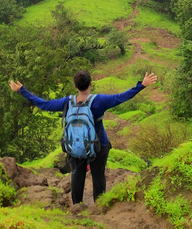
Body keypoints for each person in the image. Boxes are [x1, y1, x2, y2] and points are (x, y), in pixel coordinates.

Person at [9, 70, 157, 206]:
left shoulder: (68, 101)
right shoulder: (99, 100)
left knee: (77, 175)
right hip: (99, 145)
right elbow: (121, 98)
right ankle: (99, 207)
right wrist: (142, 85)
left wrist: (22, 91)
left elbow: (45, 105)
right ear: (90, 83)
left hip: (74, 147)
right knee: (98, 177)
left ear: (75, 86)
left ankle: (77, 207)